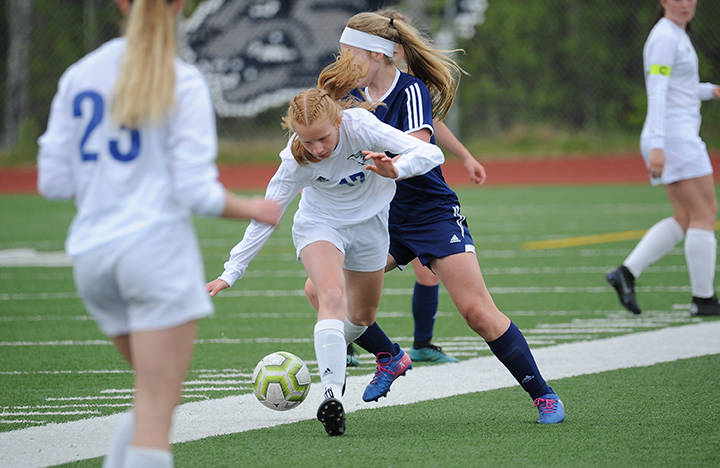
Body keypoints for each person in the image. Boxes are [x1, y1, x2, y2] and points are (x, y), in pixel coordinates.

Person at [36, 1, 282, 467]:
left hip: (92, 256)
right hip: (154, 254)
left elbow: (53, 182)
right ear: (180, 7)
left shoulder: (79, 76)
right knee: (155, 409)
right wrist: (253, 207)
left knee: (153, 395)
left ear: (122, 4)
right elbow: (197, 193)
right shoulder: (182, 80)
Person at [306, 12, 565, 424]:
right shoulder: (343, 92)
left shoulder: (409, 91)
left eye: (347, 52)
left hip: (429, 213)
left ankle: (543, 394)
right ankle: (390, 355)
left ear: (376, 54)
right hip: (379, 216)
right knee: (319, 291)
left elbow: (420, 148)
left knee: (477, 311)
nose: (340, 59)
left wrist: (395, 166)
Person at [205, 52, 444, 437]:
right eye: (307, 140)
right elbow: (267, 214)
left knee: (362, 317)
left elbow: (432, 152)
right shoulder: (295, 159)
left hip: (370, 227)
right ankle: (331, 396)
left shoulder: (361, 125)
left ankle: (389, 357)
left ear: (337, 120)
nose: (316, 148)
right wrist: (231, 272)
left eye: (323, 138)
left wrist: (395, 168)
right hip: (320, 225)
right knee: (329, 296)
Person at [606, 0, 720, 317]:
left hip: (673, 137)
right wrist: (657, 144)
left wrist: (710, 91)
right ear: (664, 1)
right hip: (674, 138)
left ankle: (625, 274)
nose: (685, 4)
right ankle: (704, 299)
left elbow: (678, 88)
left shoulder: (675, 34)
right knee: (705, 214)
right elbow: (657, 90)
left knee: (686, 217)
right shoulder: (665, 36)